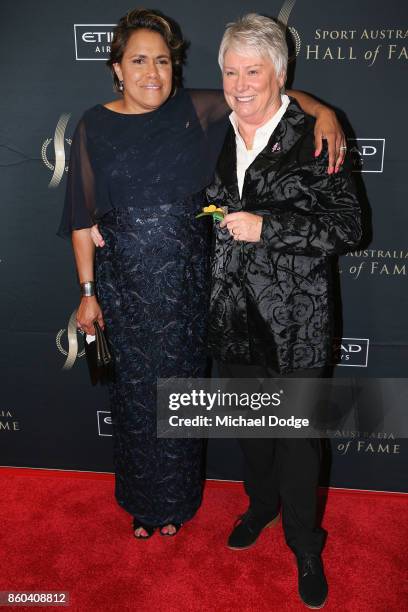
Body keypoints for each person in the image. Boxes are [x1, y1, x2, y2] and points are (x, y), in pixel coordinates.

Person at [60, 8, 347, 540]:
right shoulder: (92, 124)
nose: (153, 72)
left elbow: (274, 97)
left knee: (182, 399)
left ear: (176, 67)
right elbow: (81, 215)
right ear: (117, 68)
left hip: (192, 292)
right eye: (139, 61)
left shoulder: (193, 109)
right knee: (137, 404)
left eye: (163, 61)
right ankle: (142, 503)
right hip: (126, 291)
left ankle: (180, 504)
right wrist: (87, 291)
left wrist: (323, 109)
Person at [206, 14, 361, 609]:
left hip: (297, 320)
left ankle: (304, 542)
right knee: (251, 431)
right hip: (233, 316)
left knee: (297, 440)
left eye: (254, 72)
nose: (240, 85)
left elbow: (350, 228)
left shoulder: (317, 136)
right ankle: (261, 507)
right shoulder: (213, 124)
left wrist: (270, 228)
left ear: (281, 75)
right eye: (230, 71)